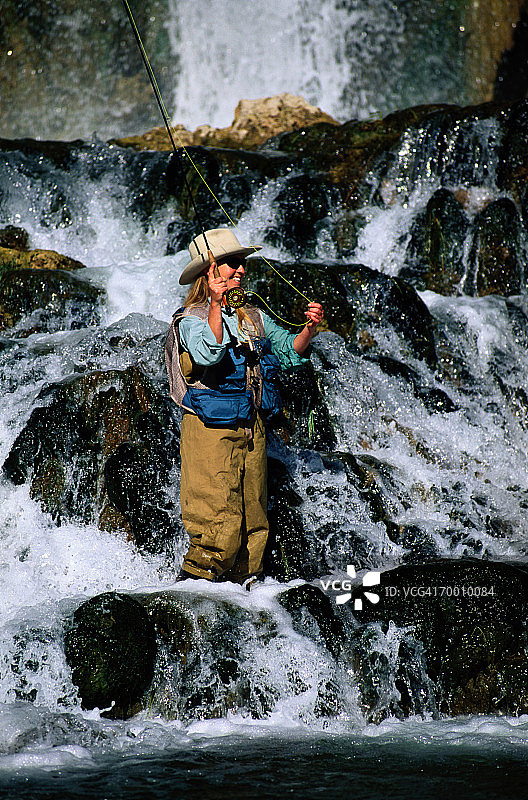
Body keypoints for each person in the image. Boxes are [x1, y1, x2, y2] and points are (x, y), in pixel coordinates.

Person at [165, 228, 324, 584]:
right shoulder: (190, 317)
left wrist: (309, 330)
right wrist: (218, 305)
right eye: (231, 264)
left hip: (253, 428)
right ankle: (194, 601)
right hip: (210, 433)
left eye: (241, 264)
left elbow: (287, 351)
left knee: (254, 522)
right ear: (209, 271)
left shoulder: (253, 316)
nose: (240, 270)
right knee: (216, 525)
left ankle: (245, 598)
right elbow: (209, 351)